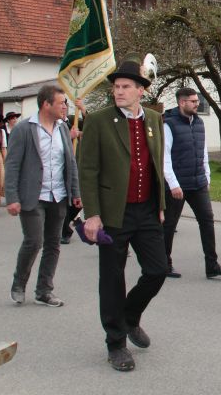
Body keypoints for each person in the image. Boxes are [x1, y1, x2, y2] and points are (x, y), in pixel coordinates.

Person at [79, 56, 167, 372]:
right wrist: (92, 214)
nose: (119, 91)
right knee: (112, 278)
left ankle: (129, 316)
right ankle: (115, 343)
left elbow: (157, 163)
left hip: (146, 210)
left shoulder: (154, 119)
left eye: (126, 86)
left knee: (158, 270)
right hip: (113, 212)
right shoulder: (98, 121)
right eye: (116, 87)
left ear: (141, 90)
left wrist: (160, 206)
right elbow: (87, 170)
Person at [5, 85, 81, 307]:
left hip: (58, 195)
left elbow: (70, 162)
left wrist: (75, 192)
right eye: (61, 103)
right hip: (33, 195)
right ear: (46, 104)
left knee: (53, 244)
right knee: (34, 241)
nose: (65, 107)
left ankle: (44, 290)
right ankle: (19, 284)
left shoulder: (63, 128)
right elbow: (12, 165)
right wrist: (12, 197)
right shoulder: (24, 129)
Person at [162, 87, 221, 279]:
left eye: (197, 101)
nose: (197, 104)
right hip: (177, 185)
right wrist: (173, 184)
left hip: (198, 182)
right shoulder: (169, 124)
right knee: (169, 224)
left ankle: (212, 265)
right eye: (193, 101)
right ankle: (164, 264)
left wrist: (206, 176)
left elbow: (202, 151)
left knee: (207, 221)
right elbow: (164, 157)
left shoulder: (199, 122)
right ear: (182, 102)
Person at [61, 98, 88, 244]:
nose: (63, 108)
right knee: (64, 200)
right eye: (60, 105)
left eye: (65, 105)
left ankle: (68, 223)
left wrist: (82, 109)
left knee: (78, 199)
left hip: (76, 164)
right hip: (60, 166)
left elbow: (91, 126)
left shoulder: (73, 120)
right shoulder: (53, 124)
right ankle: (65, 231)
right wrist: (69, 136)